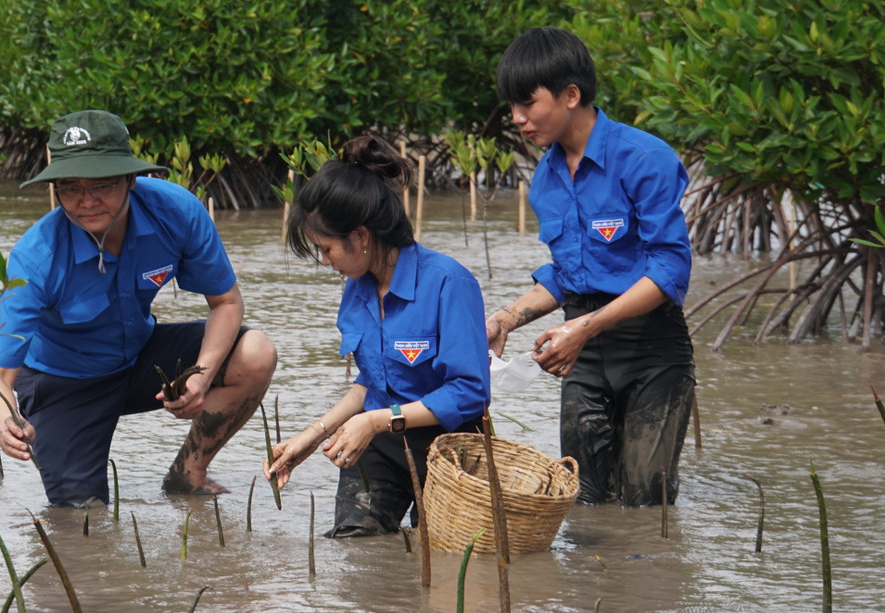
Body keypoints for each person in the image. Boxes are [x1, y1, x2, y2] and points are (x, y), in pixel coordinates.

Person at [0, 109, 277, 508]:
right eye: (70, 187)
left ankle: (189, 474)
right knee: (82, 521)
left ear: (131, 179)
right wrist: (6, 422)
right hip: (62, 381)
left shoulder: (177, 213)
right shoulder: (37, 257)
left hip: (139, 358)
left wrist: (199, 379)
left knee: (255, 353)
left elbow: (226, 303)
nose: (86, 201)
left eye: (102, 185)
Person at [485, 27, 696, 506]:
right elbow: (570, 272)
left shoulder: (645, 159)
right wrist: (506, 319)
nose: (517, 119)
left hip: (652, 353)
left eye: (527, 104)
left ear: (571, 95)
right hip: (583, 356)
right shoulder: (545, 178)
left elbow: (670, 268)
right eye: (512, 107)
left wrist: (585, 328)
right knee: (583, 502)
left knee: (647, 504)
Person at [263, 136, 489, 538]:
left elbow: (470, 392)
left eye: (327, 249)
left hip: (449, 449)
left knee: (441, 558)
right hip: (380, 444)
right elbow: (371, 383)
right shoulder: (356, 288)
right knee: (355, 551)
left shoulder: (448, 283)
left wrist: (378, 420)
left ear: (362, 237)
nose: (324, 261)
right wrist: (312, 436)